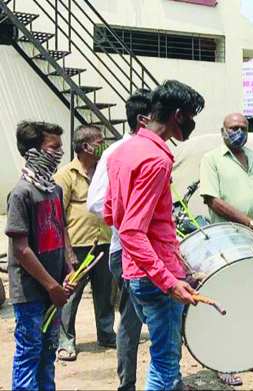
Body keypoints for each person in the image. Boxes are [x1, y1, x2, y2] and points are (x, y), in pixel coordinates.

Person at [104, 80, 203, 391]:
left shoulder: (121, 151)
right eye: (191, 116)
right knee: (165, 366)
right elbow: (133, 229)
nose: (192, 124)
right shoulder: (157, 159)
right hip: (156, 277)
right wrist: (169, 281)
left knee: (162, 360)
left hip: (135, 270)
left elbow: (111, 213)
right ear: (178, 115)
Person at [199, 113, 253, 385]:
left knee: (249, 298)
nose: (239, 132)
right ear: (222, 131)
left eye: (243, 128)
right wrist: (250, 222)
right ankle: (222, 361)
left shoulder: (252, 157)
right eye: (233, 128)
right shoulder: (211, 159)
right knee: (225, 300)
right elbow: (213, 200)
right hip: (226, 238)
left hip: (252, 239)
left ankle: (248, 356)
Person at [87, 89, 151, 391]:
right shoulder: (116, 153)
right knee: (131, 319)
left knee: (168, 316)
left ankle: (170, 378)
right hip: (126, 250)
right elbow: (96, 202)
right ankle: (128, 384)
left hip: (155, 250)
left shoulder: (155, 150)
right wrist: (133, 217)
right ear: (143, 119)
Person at [7, 121, 76, 391]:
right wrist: (51, 286)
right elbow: (21, 250)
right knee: (29, 353)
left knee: (48, 354)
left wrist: (69, 269)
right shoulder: (21, 193)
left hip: (54, 290)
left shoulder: (54, 190)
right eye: (54, 147)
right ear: (34, 152)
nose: (60, 153)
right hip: (31, 293)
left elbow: (61, 233)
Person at [53, 125, 115, 362]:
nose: (104, 146)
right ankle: (66, 341)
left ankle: (106, 334)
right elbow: (58, 217)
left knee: (105, 293)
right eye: (100, 142)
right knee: (70, 295)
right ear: (85, 147)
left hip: (104, 242)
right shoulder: (65, 175)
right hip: (78, 246)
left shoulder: (105, 172)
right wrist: (67, 251)